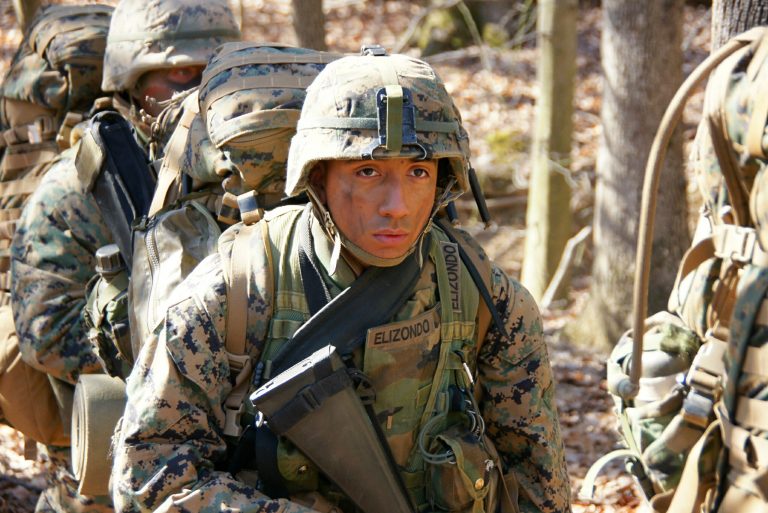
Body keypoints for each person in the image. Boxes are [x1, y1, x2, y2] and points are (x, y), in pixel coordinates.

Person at [113, 51, 571, 513]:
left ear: (444, 182)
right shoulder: (236, 291)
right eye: (367, 171)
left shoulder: (482, 295)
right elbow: (148, 475)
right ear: (318, 176)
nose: (397, 205)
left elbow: (538, 484)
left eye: (418, 172)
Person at [9, 0, 240, 511]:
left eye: (209, 74)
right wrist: (143, 324)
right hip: (125, 407)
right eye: (174, 78)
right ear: (131, 85)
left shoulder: (251, 168)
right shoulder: (76, 188)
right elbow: (43, 331)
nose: (192, 95)